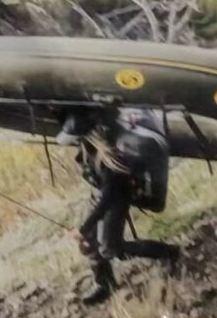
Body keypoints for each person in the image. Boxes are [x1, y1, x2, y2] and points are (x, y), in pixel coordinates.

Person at [71, 105, 172, 303]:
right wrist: (86, 231)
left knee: (111, 249)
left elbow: (108, 200)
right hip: (100, 195)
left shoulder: (111, 160)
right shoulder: (88, 149)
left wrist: (84, 227)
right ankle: (104, 283)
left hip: (116, 199)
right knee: (90, 243)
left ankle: (168, 253)